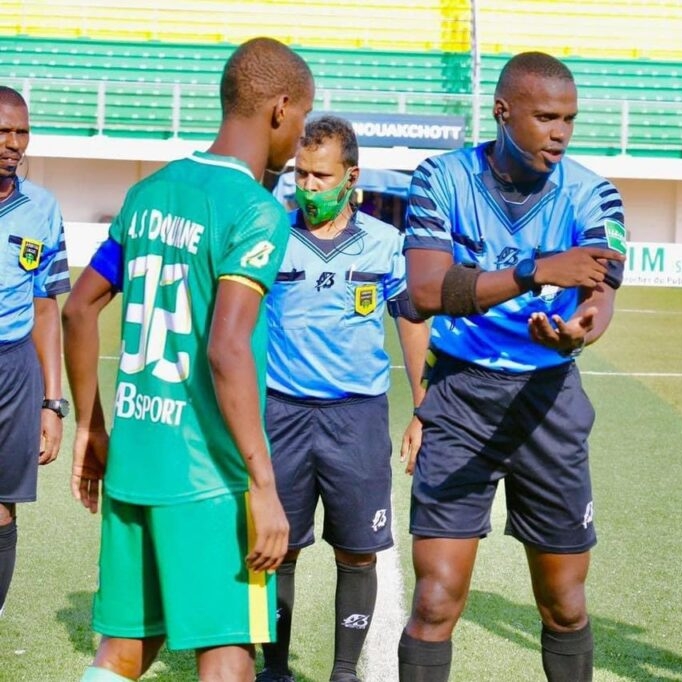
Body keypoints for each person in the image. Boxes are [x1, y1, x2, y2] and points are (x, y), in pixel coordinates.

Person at [60, 37, 313, 682]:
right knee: (226, 651)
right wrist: (262, 482)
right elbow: (227, 348)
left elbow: (78, 308)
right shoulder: (255, 210)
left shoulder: (152, 192)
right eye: (304, 120)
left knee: (123, 653)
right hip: (209, 473)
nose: (299, 137)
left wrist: (91, 428)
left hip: (136, 458)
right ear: (281, 109)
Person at [397, 51, 627, 682]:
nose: (560, 132)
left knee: (565, 606)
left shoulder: (593, 192)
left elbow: (600, 295)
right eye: (546, 116)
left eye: (570, 120)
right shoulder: (439, 179)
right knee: (435, 600)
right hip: (460, 397)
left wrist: (579, 334)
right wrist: (534, 271)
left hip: (548, 399)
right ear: (503, 112)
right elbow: (423, 292)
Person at [255, 114, 430, 682]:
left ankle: (343, 672)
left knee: (357, 550)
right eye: (301, 175)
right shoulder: (272, 236)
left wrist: (422, 408)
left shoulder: (385, 244)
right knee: (276, 548)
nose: (307, 187)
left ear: (351, 176)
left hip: (356, 416)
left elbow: (410, 323)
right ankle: (275, 670)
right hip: (280, 412)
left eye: (321, 177)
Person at [0, 85, 70, 617]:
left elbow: (48, 307)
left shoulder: (43, 208)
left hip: (14, 369)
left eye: (21, 132)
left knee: (3, 507)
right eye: (4, 131)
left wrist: (52, 402)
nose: (14, 143)